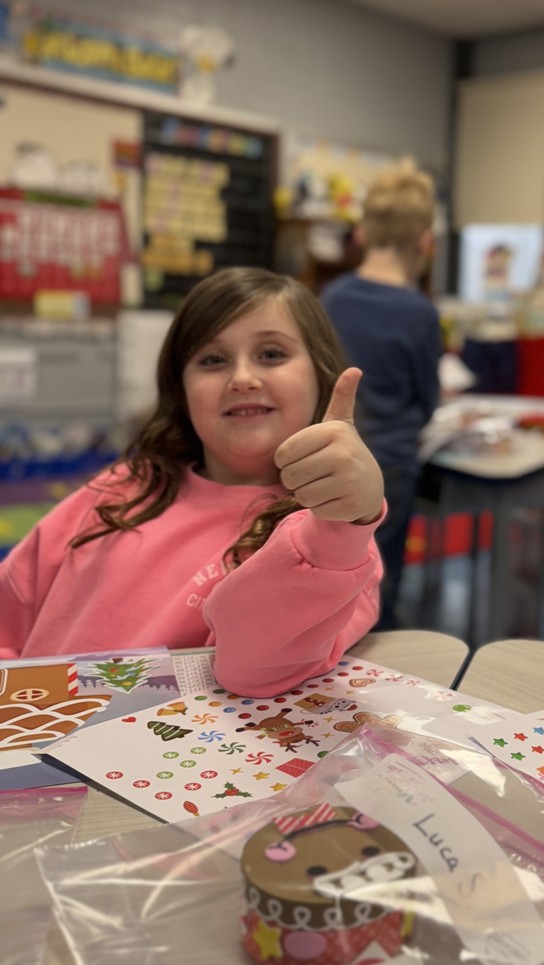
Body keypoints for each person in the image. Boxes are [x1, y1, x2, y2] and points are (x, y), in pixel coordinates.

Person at [0, 267, 385, 697]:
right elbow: (12, 606)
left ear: (321, 375)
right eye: (213, 360)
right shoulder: (124, 487)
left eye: (272, 354)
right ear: (180, 389)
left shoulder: (338, 546)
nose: (242, 378)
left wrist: (342, 523)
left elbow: (256, 670)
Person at [321, 161, 443, 631]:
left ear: (364, 232)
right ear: (423, 240)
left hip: (332, 457)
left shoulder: (332, 297)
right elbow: (427, 404)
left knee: (334, 580)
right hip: (389, 466)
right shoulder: (418, 313)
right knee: (379, 588)